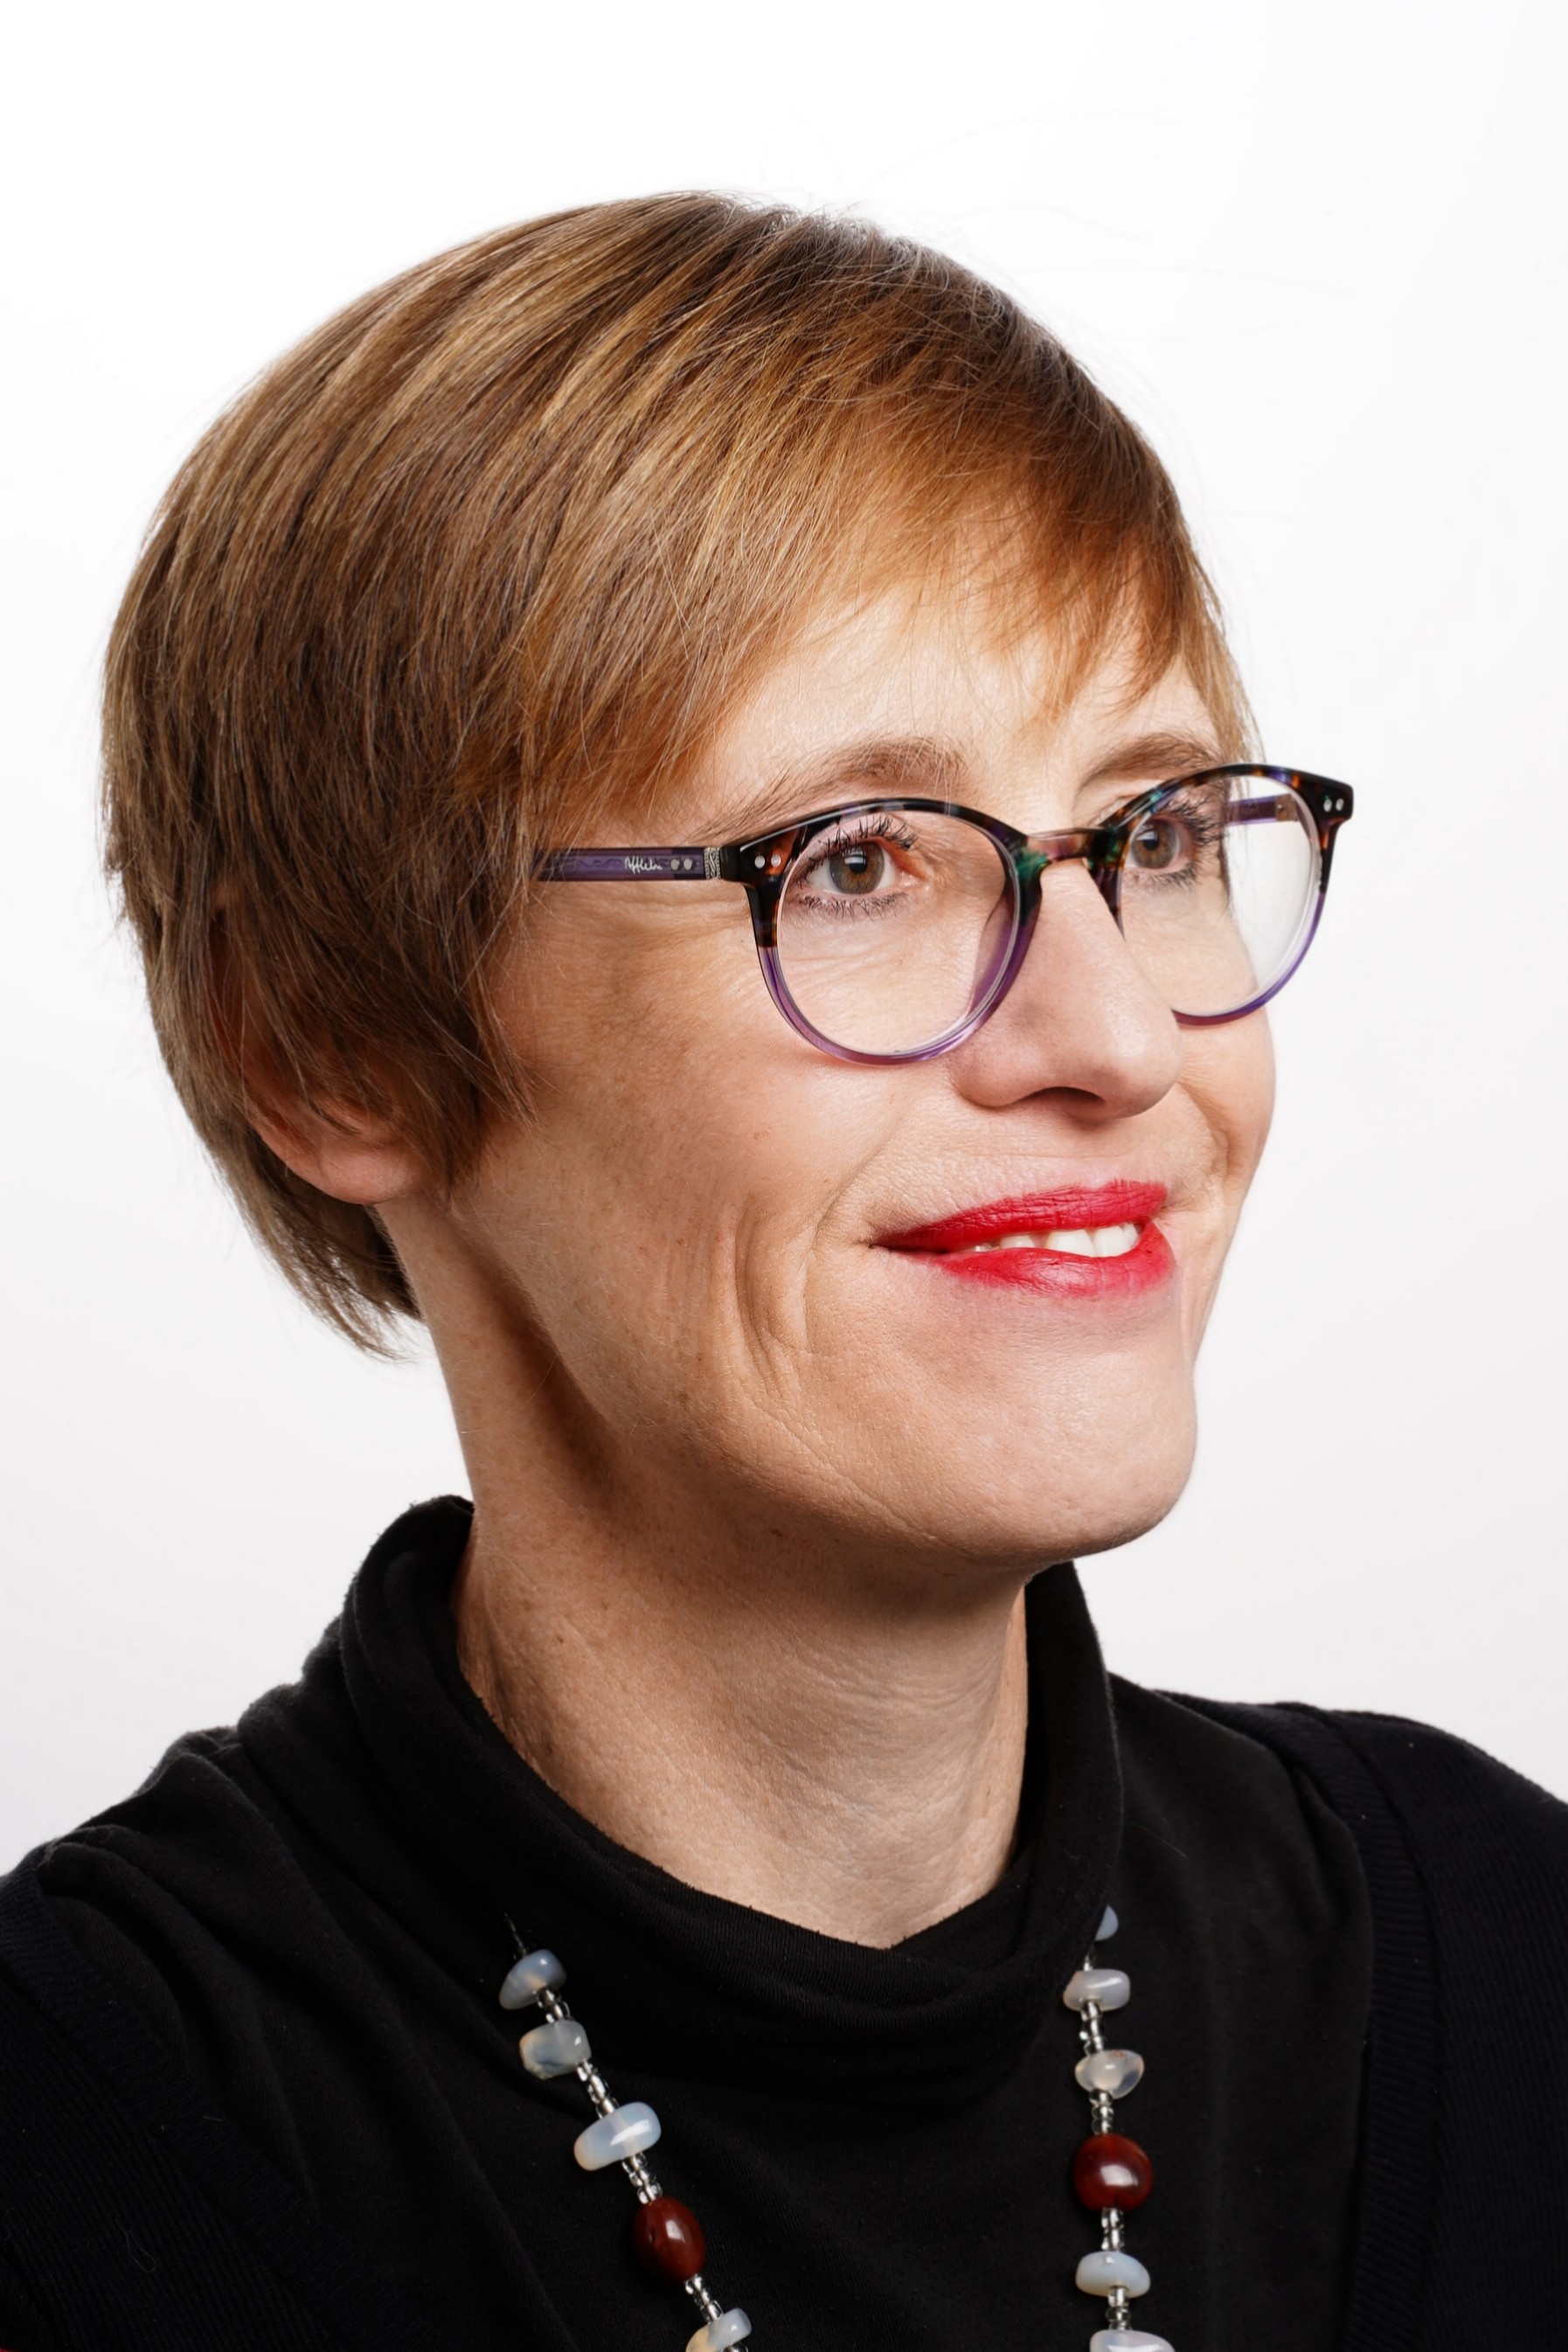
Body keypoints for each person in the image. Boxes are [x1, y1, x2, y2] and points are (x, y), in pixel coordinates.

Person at [1, 195, 1563, 2352]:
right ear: (329, 1045)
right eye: (855, 863)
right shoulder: (78, 2140)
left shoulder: (1495, 1951)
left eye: (1162, 836)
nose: (1118, 1037)